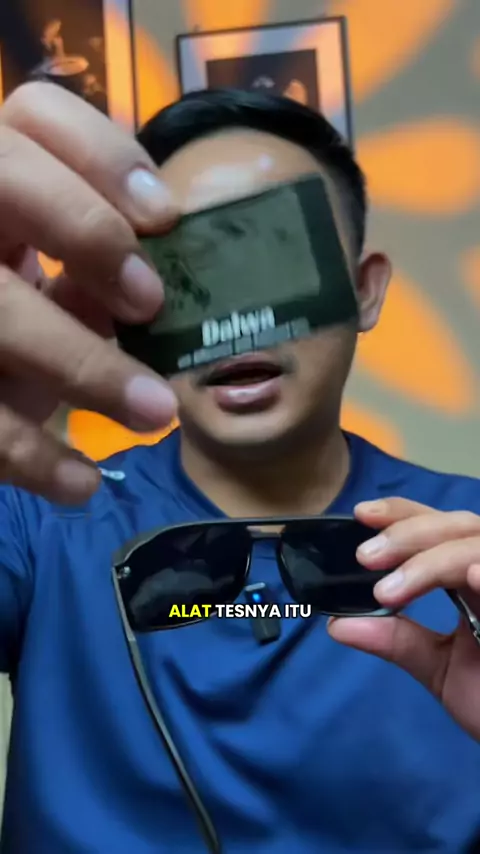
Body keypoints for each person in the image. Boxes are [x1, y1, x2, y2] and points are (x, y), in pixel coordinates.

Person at [0, 82, 478, 853]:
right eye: (191, 275)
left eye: (273, 255)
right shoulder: (39, 521)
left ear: (364, 291)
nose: (236, 320)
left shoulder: (468, 545)